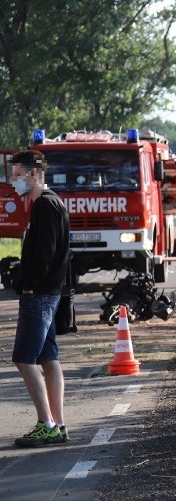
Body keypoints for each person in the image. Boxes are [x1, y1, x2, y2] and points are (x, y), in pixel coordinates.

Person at [11, 150, 71, 447]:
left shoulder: (45, 206)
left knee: (24, 358)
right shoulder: (52, 202)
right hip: (49, 292)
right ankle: (57, 424)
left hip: (40, 295)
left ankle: (46, 423)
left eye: (17, 174)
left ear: (33, 174)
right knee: (48, 358)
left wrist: (29, 284)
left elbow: (44, 254)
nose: (13, 181)